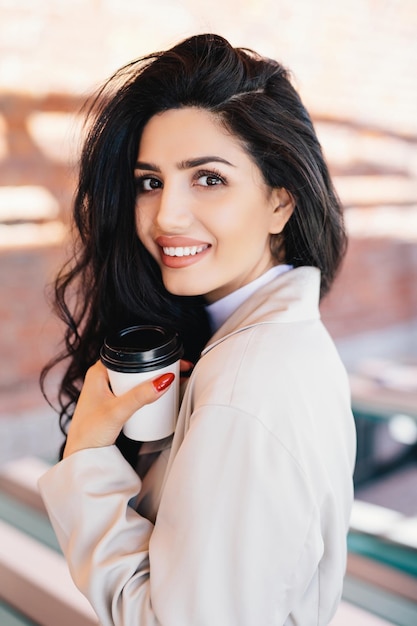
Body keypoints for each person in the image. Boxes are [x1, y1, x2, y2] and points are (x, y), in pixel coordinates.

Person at [39, 33, 356, 625]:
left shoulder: (249, 388)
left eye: (208, 178)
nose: (166, 216)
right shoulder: (236, 348)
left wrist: (87, 455)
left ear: (280, 203)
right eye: (149, 181)